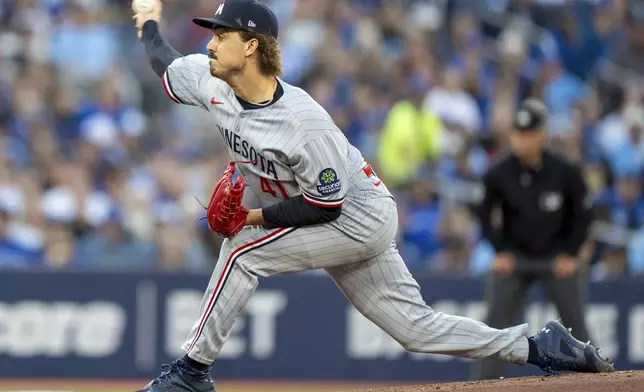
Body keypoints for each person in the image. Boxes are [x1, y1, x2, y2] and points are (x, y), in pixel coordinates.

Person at [131, 2, 615, 391]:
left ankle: (192, 373)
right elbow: (166, 62)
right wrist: (150, 23)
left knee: (240, 251)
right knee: (415, 329)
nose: (210, 42)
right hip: (328, 215)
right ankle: (540, 347)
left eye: (222, 34)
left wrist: (253, 215)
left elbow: (325, 205)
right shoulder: (209, 78)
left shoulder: (302, 121)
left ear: (252, 46)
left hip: (355, 216)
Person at [472, 98, 596, 380]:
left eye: (528, 134)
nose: (522, 140)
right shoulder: (498, 173)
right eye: (518, 134)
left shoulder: (565, 172)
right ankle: (483, 383)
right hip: (515, 258)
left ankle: (597, 380)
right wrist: (499, 250)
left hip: (556, 259)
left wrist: (570, 252)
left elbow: (584, 216)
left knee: (577, 324)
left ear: (542, 135)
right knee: (495, 325)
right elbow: (483, 215)